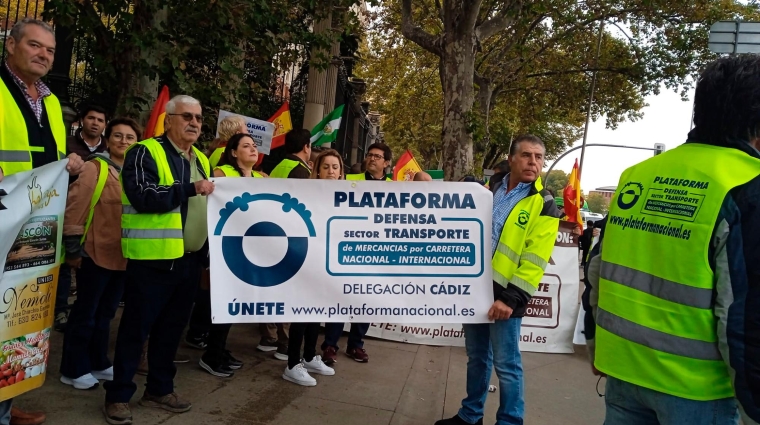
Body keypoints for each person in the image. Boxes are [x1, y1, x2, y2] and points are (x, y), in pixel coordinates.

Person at [590, 55, 760, 425]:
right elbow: (744, 314)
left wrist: (594, 344)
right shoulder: (747, 185)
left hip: (623, 372)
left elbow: (598, 270)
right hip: (698, 391)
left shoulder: (639, 175)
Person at [102, 95, 214, 425]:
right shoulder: (144, 152)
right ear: (168, 121)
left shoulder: (203, 160)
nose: (194, 123)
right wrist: (190, 188)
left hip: (189, 260)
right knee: (136, 330)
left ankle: (160, 389)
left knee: (171, 330)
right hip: (152, 261)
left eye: (198, 118)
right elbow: (144, 196)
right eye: (186, 117)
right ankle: (119, 395)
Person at [437, 135, 561, 425]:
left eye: (539, 157)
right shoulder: (490, 189)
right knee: (477, 358)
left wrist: (510, 298)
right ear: (512, 159)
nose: (534, 162)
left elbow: (535, 259)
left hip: (506, 296)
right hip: (475, 290)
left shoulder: (543, 202)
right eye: (527, 155)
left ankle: (509, 421)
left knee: (507, 366)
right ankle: (470, 415)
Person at [0, 17, 86, 425]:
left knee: (21, 314)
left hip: (37, 225)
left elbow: (48, 154)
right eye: (35, 45)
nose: (44, 55)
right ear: (11, 45)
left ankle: (5, 399)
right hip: (2, 222)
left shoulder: (51, 100)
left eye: (50, 50)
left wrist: (68, 161)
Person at [59, 118, 141, 390]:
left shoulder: (136, 172)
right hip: (93, 254)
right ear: (109, 138)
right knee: (86, 312)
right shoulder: (95, 168)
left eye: (130, 137)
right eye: (118, 135)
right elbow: (76, 207)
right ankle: (73, 368)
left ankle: (98, 361)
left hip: (123, 256)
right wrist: (73, 248)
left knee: (106, 313)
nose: (124, 141)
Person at [196, 133, 263, 379]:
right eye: (246, 146)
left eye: (254, 146)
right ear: (234, 152)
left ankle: (220, 349)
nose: (253, 149)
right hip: (225, 247)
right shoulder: (222, 173)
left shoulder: (261, 178)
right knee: (223, 299)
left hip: (249, 249)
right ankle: (211, 355)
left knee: (235, 301)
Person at [320, 143, 392, 366]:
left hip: (375, 252)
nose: (372, 159)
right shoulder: (351, 179)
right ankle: (330, 344)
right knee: (340, 296)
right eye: (369, 155)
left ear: (386, 163)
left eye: (377, 157)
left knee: (366, 298)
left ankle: (356, 344)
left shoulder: (395, 187)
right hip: (347, 247)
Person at [280, 149, 344, 386]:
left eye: (335, 167)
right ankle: (292, 364)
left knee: (317, 310)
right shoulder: (305, 193)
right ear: (317, 171)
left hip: (326, 262)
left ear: (341, 172)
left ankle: (308, 356)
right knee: (302, 312)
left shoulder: (345, 195)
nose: (331, 171)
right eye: (325, 167)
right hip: (305, 259)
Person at [55, 104, 109, 332]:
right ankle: (59, 311)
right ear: (82, 121)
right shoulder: (67, 145)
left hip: (97, 220)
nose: (95, 123)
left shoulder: (109, 149)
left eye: (100, 120)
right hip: (67, 209)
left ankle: (80, 312)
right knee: (66, 264)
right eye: (91, 118)